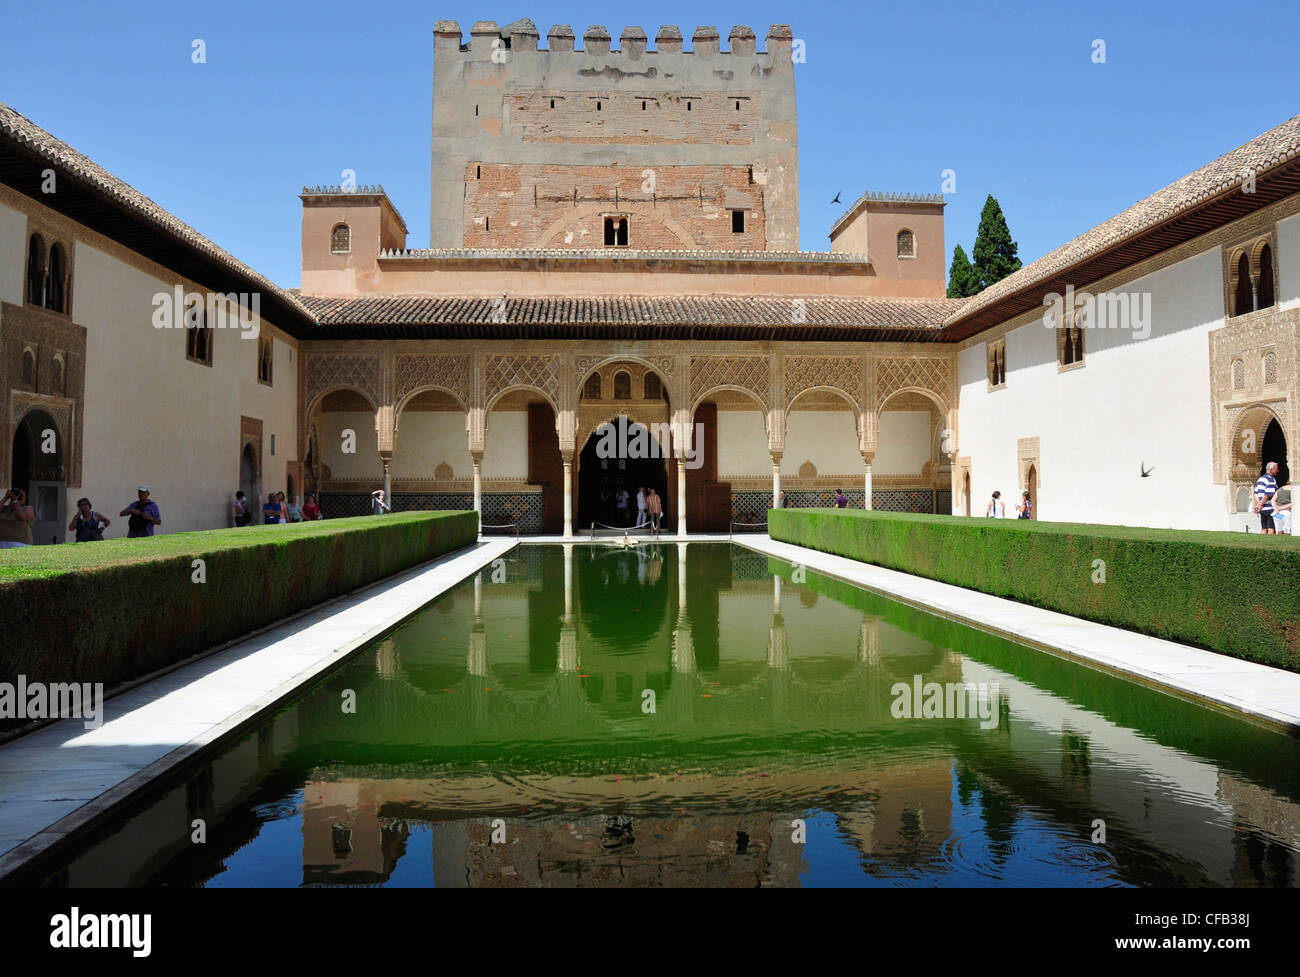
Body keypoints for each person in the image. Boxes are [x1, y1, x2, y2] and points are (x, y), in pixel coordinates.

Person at [1253, 461, 1280, 534]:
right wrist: (1261, 504)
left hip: (1262, 509)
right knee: (1271, 528)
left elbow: (1256, 493)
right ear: (1271, 470)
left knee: (1264, 528)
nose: (1278, 471)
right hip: (1269, 508)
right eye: (1276, 469)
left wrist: (1259, 504)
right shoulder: (1271, 479)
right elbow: (1267, 494)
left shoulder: (1260, 479)